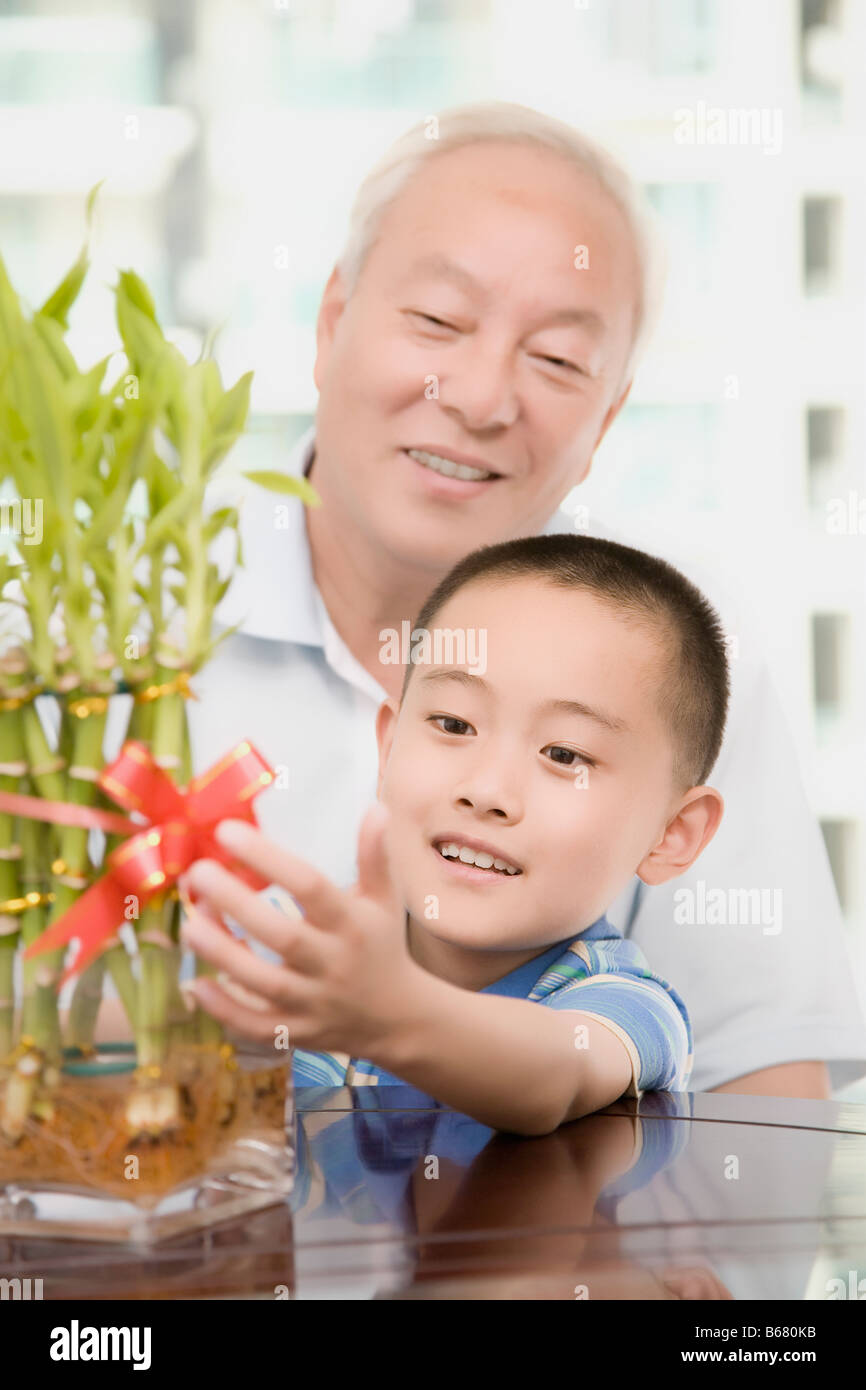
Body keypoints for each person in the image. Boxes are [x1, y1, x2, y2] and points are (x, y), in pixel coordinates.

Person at [186, 101, 866, 1099]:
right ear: (332, 323)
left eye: (555, 359)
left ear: (607, 417)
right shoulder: (108, 622)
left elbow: (757, 1066)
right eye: (436, 321)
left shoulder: (677, 639)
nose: (477, 396)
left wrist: (399, 1017)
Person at [181, 533, 727, 1134]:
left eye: (565, 755)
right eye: (453, 722)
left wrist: (388, 1012)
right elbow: (131, 1034)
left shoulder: (624, 1004)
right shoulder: (291, 940)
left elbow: (554, 1078)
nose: (487, 790)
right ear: (388, 747)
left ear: (672, 833)